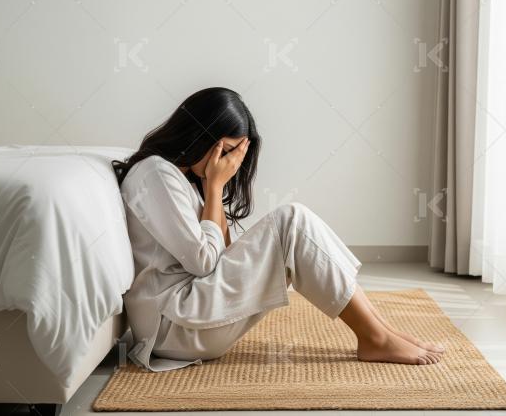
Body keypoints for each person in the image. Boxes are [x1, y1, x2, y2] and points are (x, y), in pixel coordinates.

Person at [112, 87, 444, 371]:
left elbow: (221, 255)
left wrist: (211, 187)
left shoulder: (183, 178)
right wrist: (214, 187)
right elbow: (204, 262)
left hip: (188, 316)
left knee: (294, 222)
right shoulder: (155, 173)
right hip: (173, 326)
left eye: (233, 156)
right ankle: (376, 337)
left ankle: (382, 330)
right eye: (224, 152)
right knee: (291, 221)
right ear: (199, 135)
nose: (226, 164)